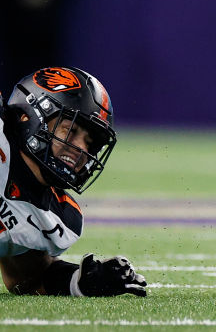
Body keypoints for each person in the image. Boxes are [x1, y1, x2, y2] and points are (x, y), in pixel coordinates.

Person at [0, 66, 147, 297]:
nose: (81, 149)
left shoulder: (55, 216)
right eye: (70, 130)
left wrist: (82, 281)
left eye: (90, 143)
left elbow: (26, 276)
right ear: (27, 116)